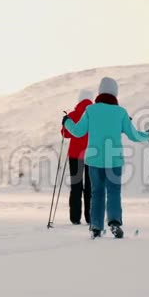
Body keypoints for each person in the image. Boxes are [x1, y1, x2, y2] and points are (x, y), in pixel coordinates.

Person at [63, 77, 149, 238]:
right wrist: (148, 135)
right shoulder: (121, 112)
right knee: (113, 191)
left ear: (100, 92)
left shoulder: (91, 110)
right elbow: (134, 135)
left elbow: (78, 132)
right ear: (115, 92)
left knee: (96, 192)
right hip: (114, 160)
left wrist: (67, 122)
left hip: (94, 160)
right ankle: (114, 223)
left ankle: (96, 226)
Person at [61, 89, 94, 225]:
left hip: (75, 156)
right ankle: (90, 217)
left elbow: (65, 134)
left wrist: (65, 123)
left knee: (76, 186)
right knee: (90, 187)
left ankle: (75, 218)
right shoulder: (94, 114)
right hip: (92, 155)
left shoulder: (73, 115)